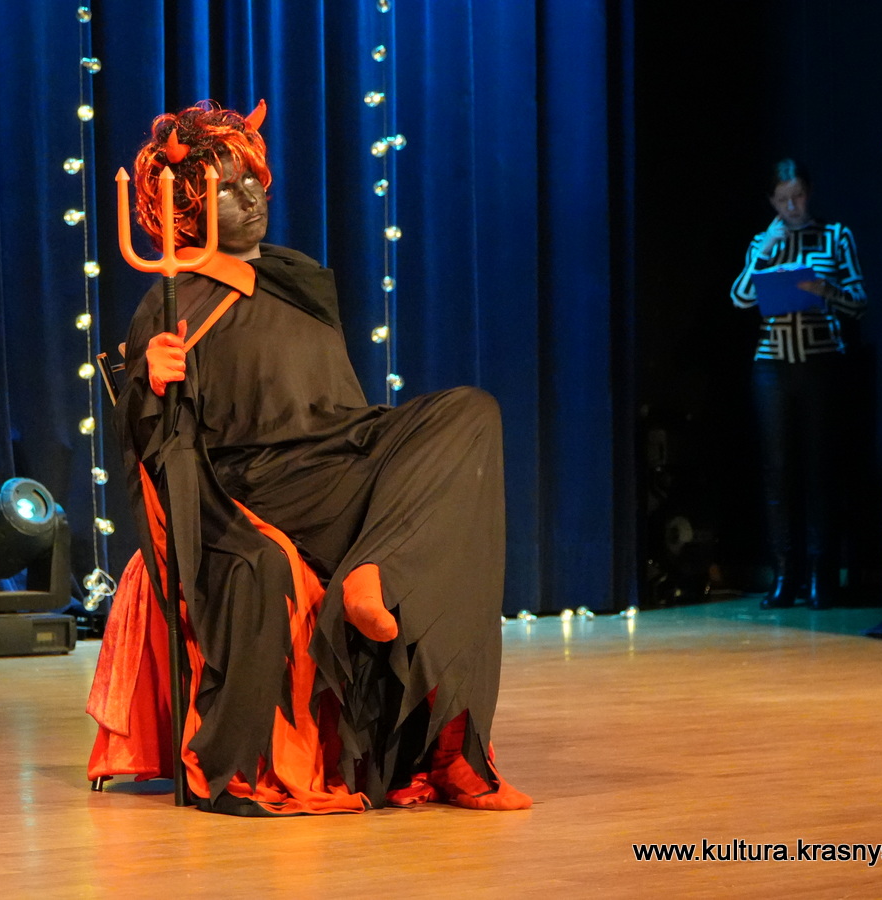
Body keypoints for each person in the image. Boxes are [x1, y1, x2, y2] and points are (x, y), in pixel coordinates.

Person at [90, 100, 529, 816]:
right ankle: (447, 740)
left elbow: (338, 406)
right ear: (188, 210)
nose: (251, 197)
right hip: (264, 484)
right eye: (227, 188)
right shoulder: (172, 302)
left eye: (253, 179)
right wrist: (151, 382)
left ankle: (444, 727)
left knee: (470, 412)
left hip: (343, 456)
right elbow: (158, 450)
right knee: (446, 532)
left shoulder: (295, 277)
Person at [730, 159, 866, 609]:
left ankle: (821, 575)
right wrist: (766, 249)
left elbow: (859, 302)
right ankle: (785, 574)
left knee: (820, 468)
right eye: (783, 199)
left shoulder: (835, 236)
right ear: (771, 201)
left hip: (820, 363)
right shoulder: (763, 241)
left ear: (810, 193)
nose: (792, 206)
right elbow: (741, 297)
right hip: (772, 366)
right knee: (778, 471)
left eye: (798, 196)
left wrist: (824, 290)